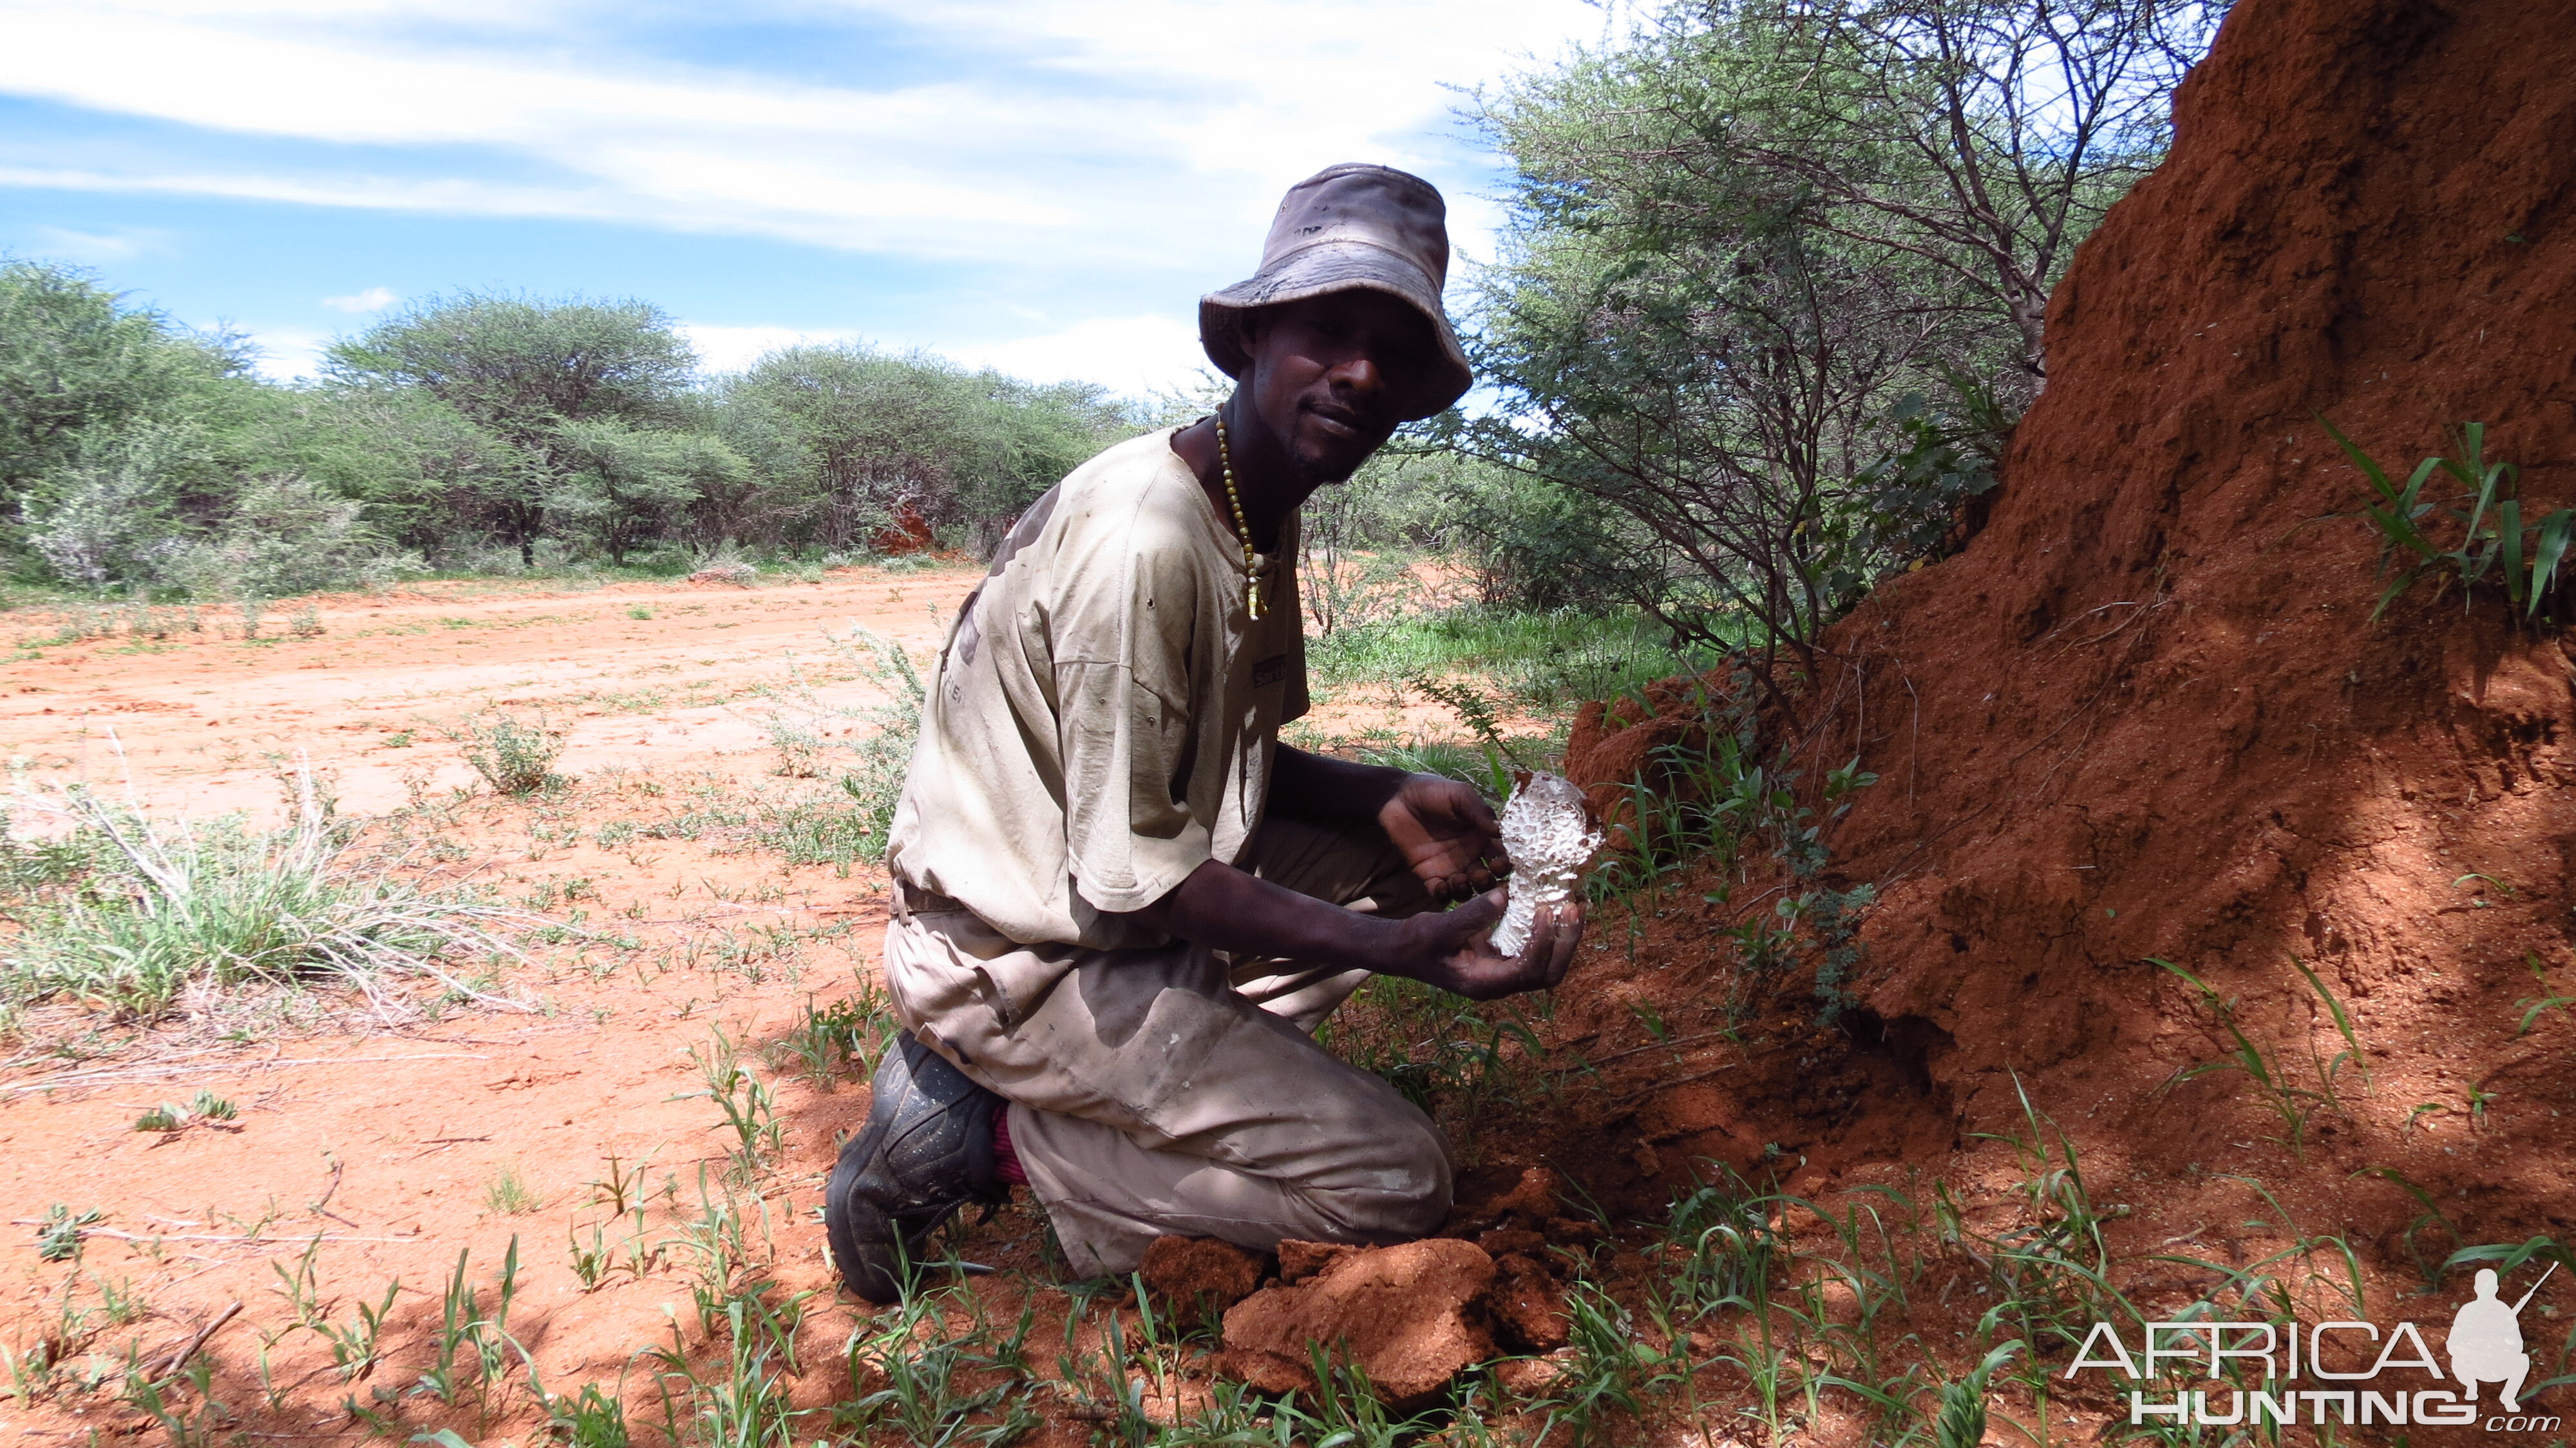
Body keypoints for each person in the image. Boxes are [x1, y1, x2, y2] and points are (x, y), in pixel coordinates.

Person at [824, 163, 1587, 1301]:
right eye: (1328, 331)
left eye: (1396, 351)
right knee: (1393, 1184)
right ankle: (999, 1143)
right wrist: (1408, 954)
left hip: (1108, 894)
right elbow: (1144, 883)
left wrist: (1382, 790)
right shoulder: (1150, 540)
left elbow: (1216, 767)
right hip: (1022, 950)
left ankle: (1141, 1074)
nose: (1363, 374)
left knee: (1397, 854)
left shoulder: (1247, 495)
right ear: (1251, 344)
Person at [2450, 1267, 2534, 1410]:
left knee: (2523, 1360)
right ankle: (2471, 1386)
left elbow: (2518, 1344)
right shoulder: (2467, 1311)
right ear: (2476, 1288)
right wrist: (2473, 1346)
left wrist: (2499, 1343)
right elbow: (2453, 1343)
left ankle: (2508, 1397)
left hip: (2498, 1366)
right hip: (2472, 1365)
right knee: (2456, 1359)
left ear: (2496, 1288)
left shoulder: (2504, 1311)